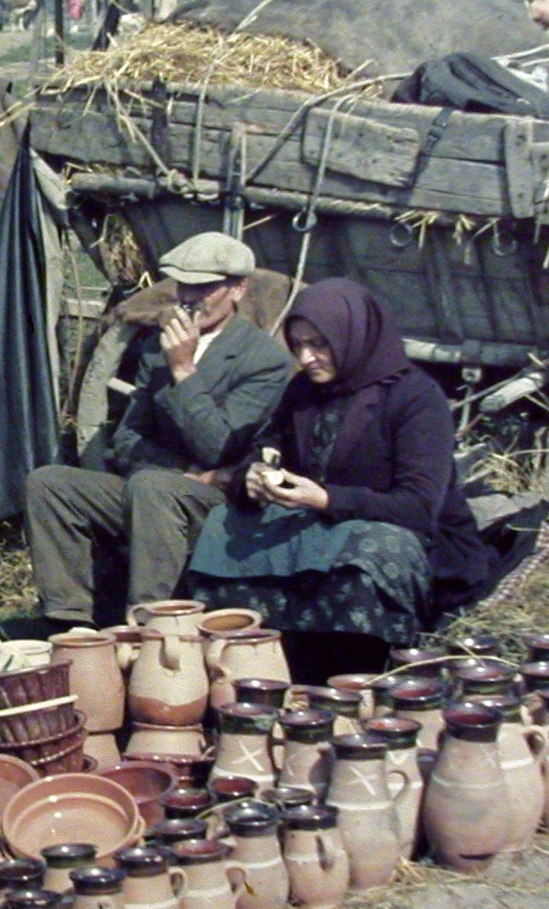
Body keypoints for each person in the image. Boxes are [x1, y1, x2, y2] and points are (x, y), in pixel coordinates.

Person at [186, 279, 493, 680]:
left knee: (368, 554)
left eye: (319, 344)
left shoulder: (415, 398)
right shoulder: (302, 391)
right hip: (318, 525)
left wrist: (325, 499)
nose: (307, 357)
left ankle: (356, 681)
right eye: (297, 346)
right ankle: (261, 675)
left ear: (354, 336)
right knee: (225, 534)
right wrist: (254, 476)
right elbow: (265, 445)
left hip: (407, 535)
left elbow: (418, 507)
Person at [25, 233, 294, 626]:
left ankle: (151, 624)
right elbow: (128, 439)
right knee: (49, 483)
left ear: (238, 289)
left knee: (152, 486)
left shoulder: (262, 359)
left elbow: (221, 448)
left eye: (204, 287)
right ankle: (70, 620)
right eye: (184, 286)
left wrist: (183, 372)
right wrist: (169, 470)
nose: (189, 298)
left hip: (220, 498)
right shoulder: (157, 347)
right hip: (157, 486)